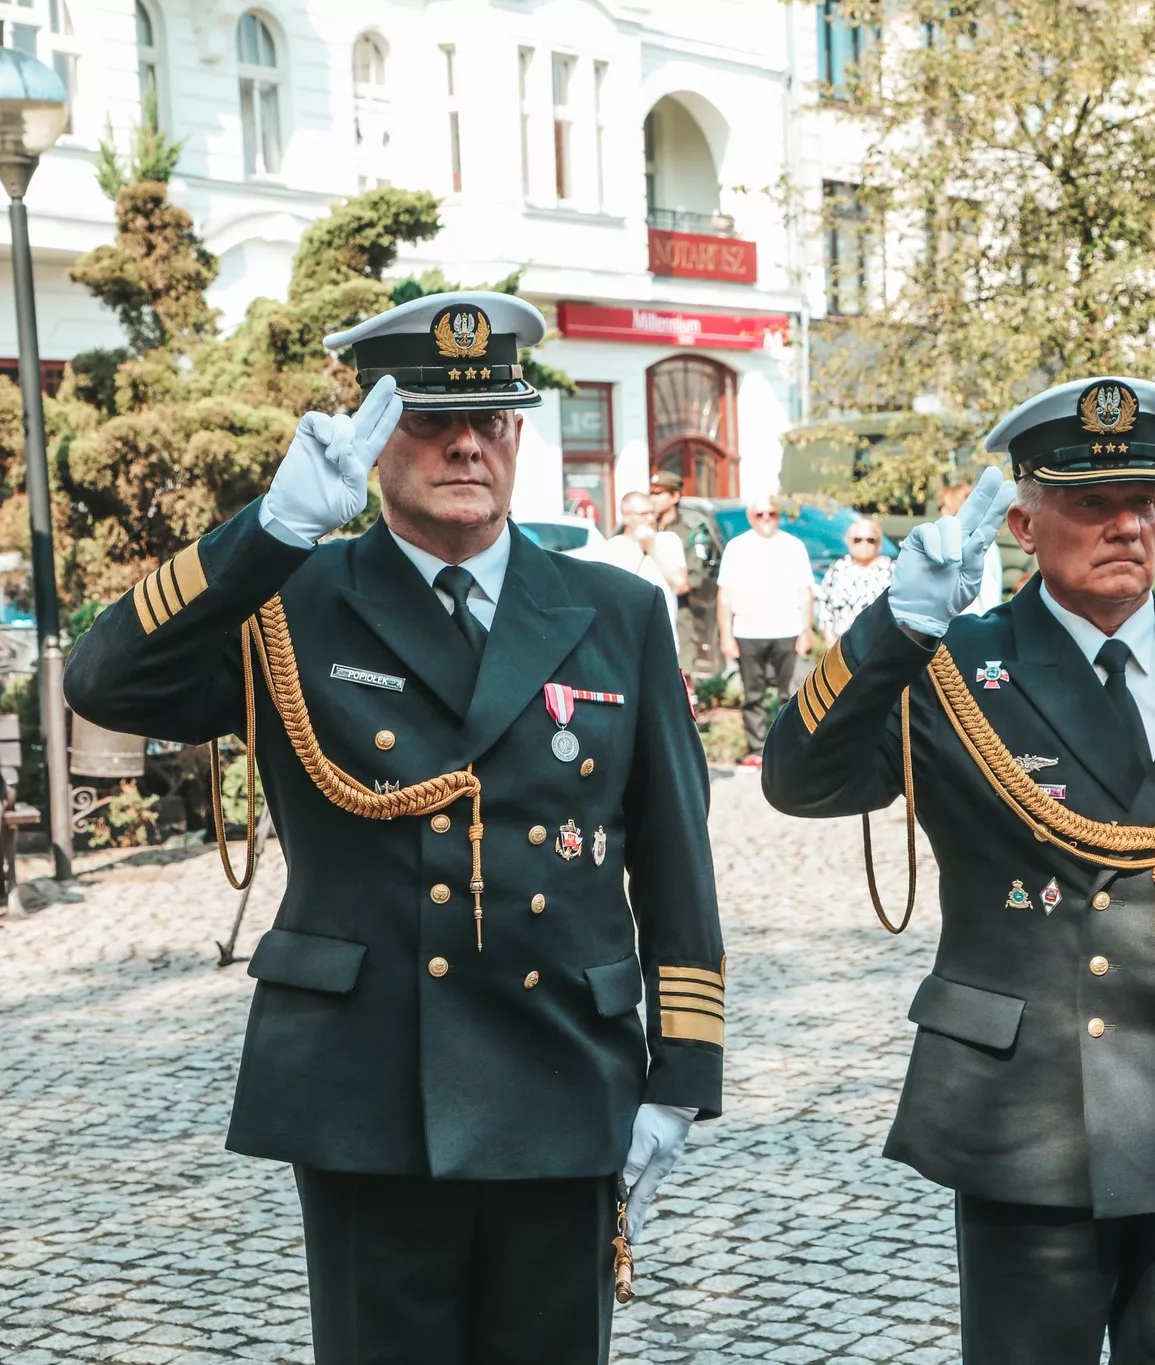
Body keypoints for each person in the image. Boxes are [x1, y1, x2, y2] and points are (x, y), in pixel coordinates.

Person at [64, 292, 725, 1365]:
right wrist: (267, 533)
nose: (466, 442)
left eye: (494, 418)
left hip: (562, 1067)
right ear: (375, 439)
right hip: (368, 1080)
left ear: (517, 433)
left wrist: (682, 1075)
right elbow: (105, 680)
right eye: (428, 419)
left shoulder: (616, 612)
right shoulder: (294, 595)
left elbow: (675, 860)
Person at [763, 376, 1155, 1365]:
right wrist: (891, 634)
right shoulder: (952, 665)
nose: (1126, 526)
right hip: (1027, 1115)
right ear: (1024, 521)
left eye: (1143, 501)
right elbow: (798, 780)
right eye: (1089, 503)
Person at [716, 496, 815, 768]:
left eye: (772, 514)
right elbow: (724, 594)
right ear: (750, 517)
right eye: (760, 514)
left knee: (790, 694)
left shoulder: (793, 546)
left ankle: (787, 747)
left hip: (787, 628)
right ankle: (757, 749)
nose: (767, 519)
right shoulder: (737, 547)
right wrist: (726, 634)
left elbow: (807, 592)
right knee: (753, 695)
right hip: (748, 630)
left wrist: (806, 630)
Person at [587, 490, 691, 629]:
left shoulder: (669, 541)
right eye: (643, 514)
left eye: (653, 513)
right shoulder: (612, 548)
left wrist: (651, 548)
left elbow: (680, 585)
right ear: (626, 517)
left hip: (663, 632)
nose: (650, 519)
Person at [817, 517, 896, 644]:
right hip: (842, 649)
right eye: (857, 539)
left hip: (883, 649)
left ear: (879, 543)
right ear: (848, 541)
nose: (864, 544)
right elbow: (825, 608)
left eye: (870, 540)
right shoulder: (837, 570)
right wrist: (830, 641)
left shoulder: (893, 570)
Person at [938, 474, 1004, 614]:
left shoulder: (981, 544)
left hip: (974, 625)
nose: (941, 512)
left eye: (945, 506)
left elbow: (989, 593)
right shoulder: (949, 543)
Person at [648, 468, 684, 533]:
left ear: (675, 496)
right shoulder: (646, 528)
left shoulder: (689, 533)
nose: (652, 499)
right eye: (651, 493)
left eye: (658, 493)